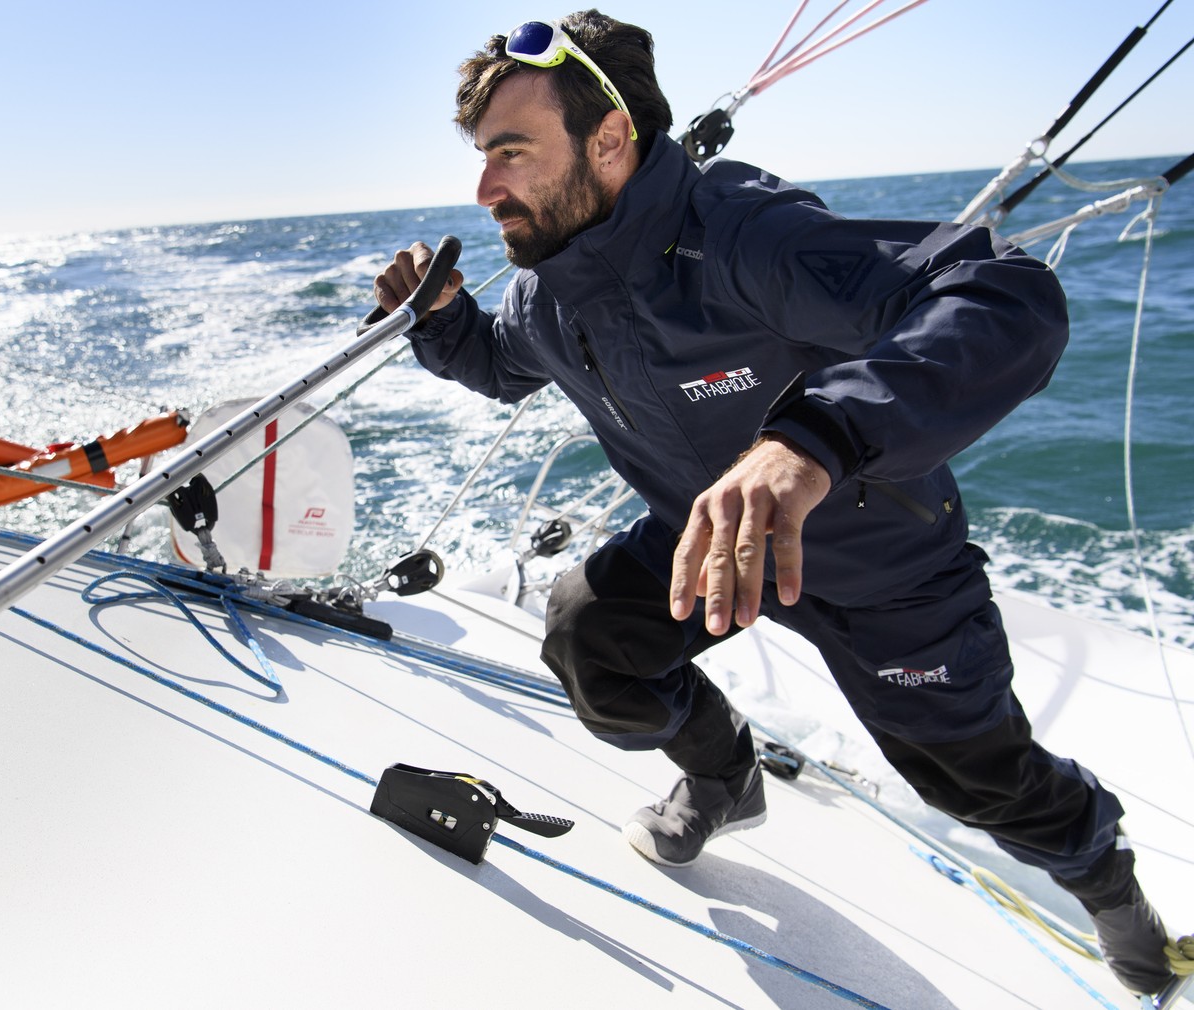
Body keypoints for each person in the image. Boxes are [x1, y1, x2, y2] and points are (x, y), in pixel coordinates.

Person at [371, 9, 1182, 998]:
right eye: (482, 157)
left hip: (889, 572)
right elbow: (503, 366)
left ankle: (1111, 885)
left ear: (611, 138)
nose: (485, 188)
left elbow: (1003, 293)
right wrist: (442, 318)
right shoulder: (551, 295)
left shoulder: (743, 235)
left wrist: (813, 440)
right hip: (707, 540)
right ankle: (722, 772)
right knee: (590, 634)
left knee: (976, 779)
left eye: (511, 152)